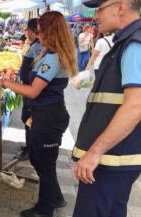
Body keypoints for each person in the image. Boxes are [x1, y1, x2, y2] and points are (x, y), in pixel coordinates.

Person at [0, 11, 77, 217]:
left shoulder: (52, 58)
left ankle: (45, 210)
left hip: (48, 117)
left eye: (42, 32)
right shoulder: (52, 53)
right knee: (41, 161)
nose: (38, 36)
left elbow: (34, 90)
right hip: (47, 114)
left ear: (52, 32)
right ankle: (55, 199)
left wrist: (4, 83)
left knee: (45, 165)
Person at [72, 0, 141, 216]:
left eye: (100, 9)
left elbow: (135, 105)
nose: (96, 15)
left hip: (111, 159)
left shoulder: (134, 44)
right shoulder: (126, 42)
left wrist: (94, 153)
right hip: (116, 158)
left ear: (120, 7)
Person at [14, 18, 43, 161]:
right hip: (28, 87)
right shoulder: (35, 45)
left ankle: (31, 150)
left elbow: (38, 70)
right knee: (27, 118)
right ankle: (30, 147)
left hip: (31, 89)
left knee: (28, 119)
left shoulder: (39, 46)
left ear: (31, 31)